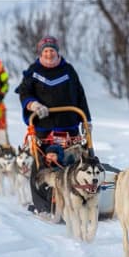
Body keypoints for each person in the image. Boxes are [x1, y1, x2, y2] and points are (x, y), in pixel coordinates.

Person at [16, 35, 92, 215]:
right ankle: (45, 203)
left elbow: (80, 95)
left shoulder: (68, 70)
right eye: (46, 51)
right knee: (43, 163)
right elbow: (24, 92)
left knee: (77, 160)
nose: (49, 54)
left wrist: (86, 120)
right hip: (44, 126)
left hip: (69, 125)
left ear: (57, 52)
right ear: (41, 53)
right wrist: (33, 105)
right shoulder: (33, 71)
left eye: (52, 50)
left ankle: (84, 195)